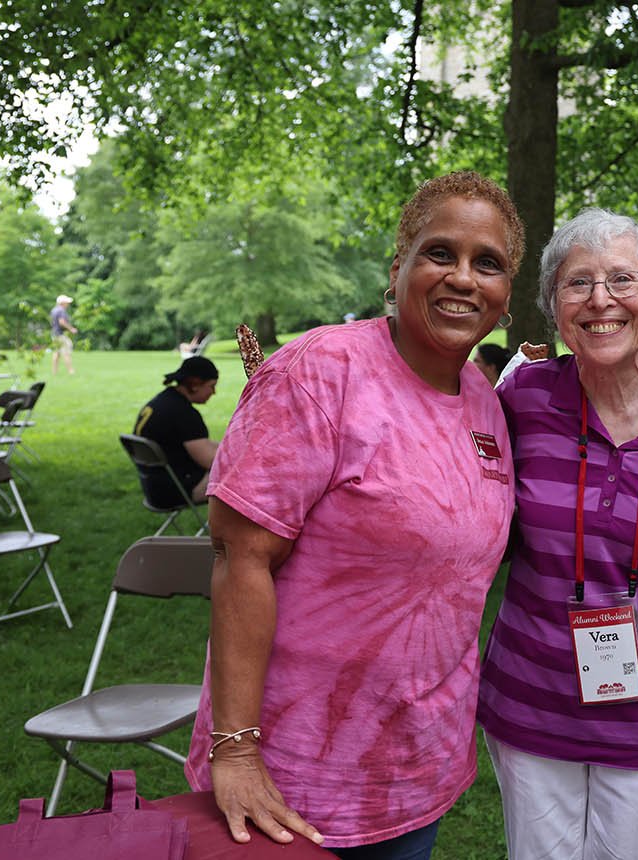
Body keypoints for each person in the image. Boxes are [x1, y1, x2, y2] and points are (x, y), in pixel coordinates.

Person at [183, 171, 524, 859]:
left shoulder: (484, 400)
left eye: (487, 263)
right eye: (440, 253)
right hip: (292, 775)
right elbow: (239, 556)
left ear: (506, 292)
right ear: (398, 267)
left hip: (415, 766)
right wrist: (237, 751)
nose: (463, 278)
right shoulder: (320, 372)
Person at [476, 209, 638, 859]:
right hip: (532, 700)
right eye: (576, 283)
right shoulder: (521, 400)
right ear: (553, 308)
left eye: (623, 279)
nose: (600, 300)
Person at [132, 355, 221, 505]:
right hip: (177, 491)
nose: (214, 392)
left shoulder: (163, 401)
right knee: (244, 477)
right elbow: (210, 461)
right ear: (195, 384)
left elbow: (203, 445)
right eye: (211, 385)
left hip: (154, 488)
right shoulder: (183, 414)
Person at [49, 294, 77, 375]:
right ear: (62, 302)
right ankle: (71, 371)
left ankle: (54, 372)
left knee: (57, 353)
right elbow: (62, 322)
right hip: (60, 335)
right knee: (66, 352)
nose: (68, 304)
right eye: (67, 302)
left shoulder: (53, 310)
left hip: (54, 334)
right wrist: (71, 329)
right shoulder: (61, 310)